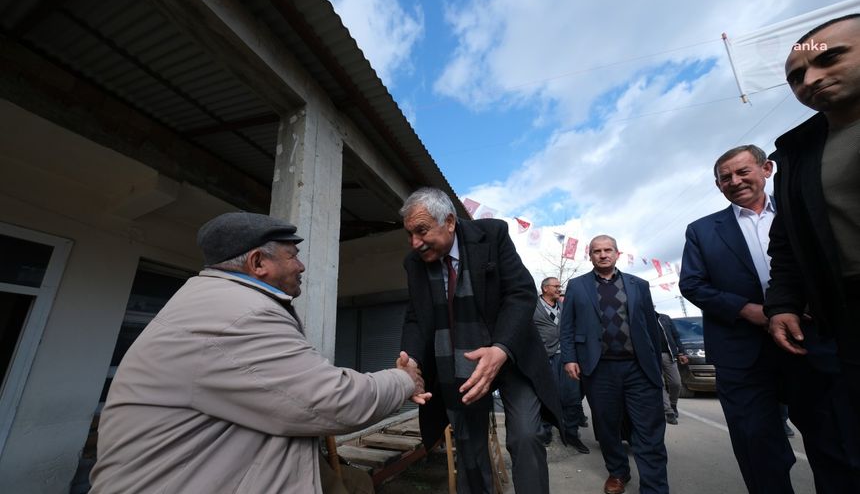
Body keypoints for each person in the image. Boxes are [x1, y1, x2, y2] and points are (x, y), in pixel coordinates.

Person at [89, 212, 430, 494]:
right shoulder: (238, 313)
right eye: (292, 255)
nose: (301, 266)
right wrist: (403, 379)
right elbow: (332, 401)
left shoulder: (220, 301)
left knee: (353, 484)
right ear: (257, 263)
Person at [680, 144, 851, 493]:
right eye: (725, 177)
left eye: (743, 171)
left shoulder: (800, 212)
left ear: (767, 169)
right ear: (718, 186)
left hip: (809, 342)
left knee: (831, 437)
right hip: (742, 353)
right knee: (757, 444)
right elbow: (692, 283)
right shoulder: (702, 230)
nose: (735, 181)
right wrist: (748, 310)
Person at [399, 187, 562, 494]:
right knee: (469, 443)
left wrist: (501, 348)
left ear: (449, 221)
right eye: (410, 234)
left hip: (511, 354)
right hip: (458, 364)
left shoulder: (492, 235)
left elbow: (521, 292)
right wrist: (410, 360)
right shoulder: (414, 264)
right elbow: (415, 317)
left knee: (527, 436)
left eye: (421, 231)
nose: (415, 243)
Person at [765, 13, 860, 485]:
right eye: (797, 77)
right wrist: (782, 303)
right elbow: (786, 241)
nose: (811, 80)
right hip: (840, 316)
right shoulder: (798, 155)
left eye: (831, 58)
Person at [561, 235, 668, 494]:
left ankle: (654, 487)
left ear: (618, 254)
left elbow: (650, 327)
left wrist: (658, 365)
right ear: (590, 255)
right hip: (599, 369)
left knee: (648, 429)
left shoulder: (638, 284)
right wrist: (569, 357)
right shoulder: (577, 286)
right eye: (597, 251)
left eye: (608, 250)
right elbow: (567, 326)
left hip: (638, 368)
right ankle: (618, 473)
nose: (603, 254)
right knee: (607, 426)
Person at [533, 276, 590, 453]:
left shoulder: (564, 306)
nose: (559, 288)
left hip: (567, 357)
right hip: (544, 358)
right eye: (556, 286)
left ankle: (571, 433)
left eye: (560, 286)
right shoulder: (532, 306)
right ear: (545, 289)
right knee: (547, 396)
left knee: (572, 396)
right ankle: (545, 432)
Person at [655, 312, 688, 425]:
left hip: (669, 355)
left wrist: (682, 352)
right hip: (652, 356)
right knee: (660, 384)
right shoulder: (642, 318)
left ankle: (673, 404)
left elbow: (675, 336)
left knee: (676, 383)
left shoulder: (665, 318)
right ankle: (668, 411)